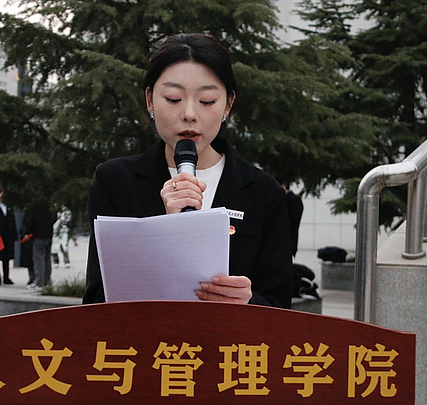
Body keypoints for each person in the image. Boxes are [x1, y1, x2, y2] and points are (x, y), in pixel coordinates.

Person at [83, 33, 292, 308]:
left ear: (228, 105)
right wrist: (166, 229)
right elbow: (98, 299)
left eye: (207, 101)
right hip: (146, 336)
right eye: (173, 99)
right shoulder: (115, 181)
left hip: (228, 336)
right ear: (150, 100)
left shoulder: (262, 192)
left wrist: (248, 303)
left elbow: (280, 305)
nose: (190, 114)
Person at [23, 200, 55, 289]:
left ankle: (39, 281)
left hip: (38, 235)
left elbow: (31, 219)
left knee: (38, 258)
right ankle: (46, 280)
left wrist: (28, 232)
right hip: (48, 234)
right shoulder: (49, 204)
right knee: (47, 258)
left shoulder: (35, 205)